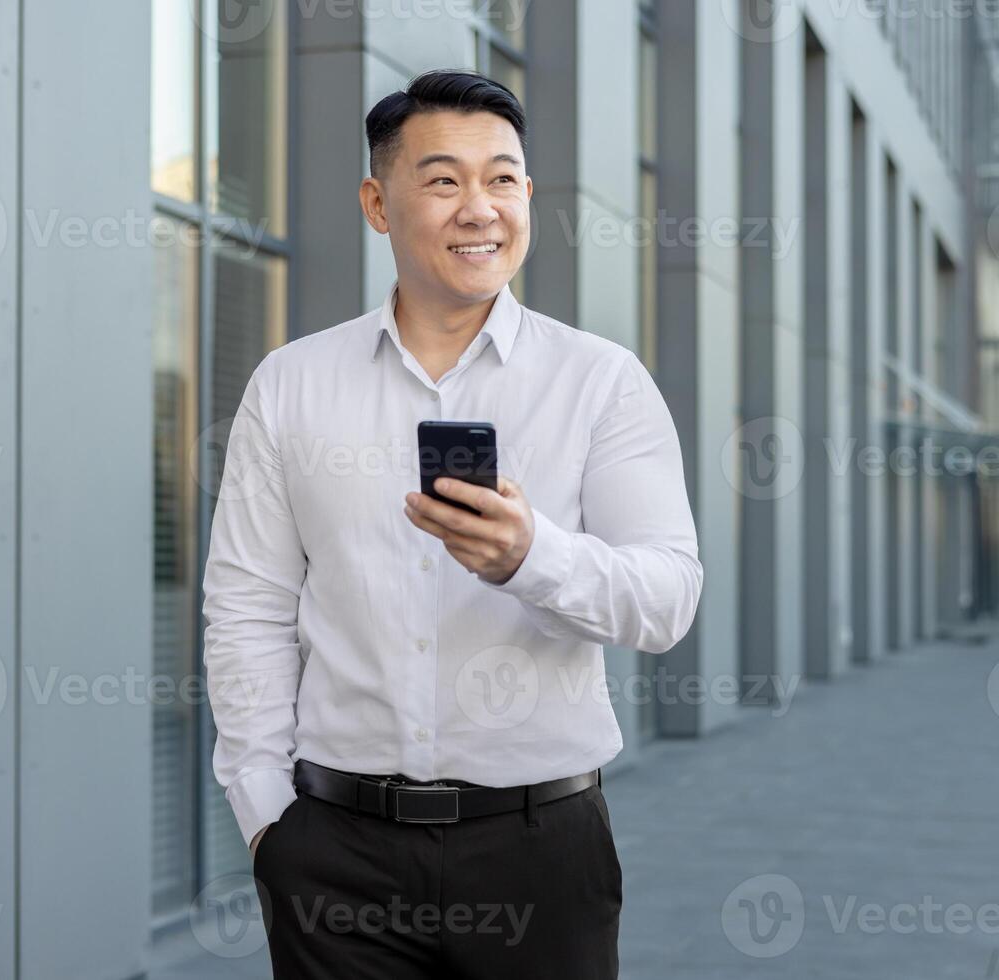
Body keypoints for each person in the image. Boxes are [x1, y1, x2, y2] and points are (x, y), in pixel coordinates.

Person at [201, 68, 703, 979]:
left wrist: (530, 556)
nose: (480, 207)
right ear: (377, 203)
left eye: (502, 178)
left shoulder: (600, 381)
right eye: (443, 180)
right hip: (333, 858)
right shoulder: (293, 383)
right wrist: (266, 816)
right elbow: (248, 605)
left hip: (539, 853)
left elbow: (666, 600)